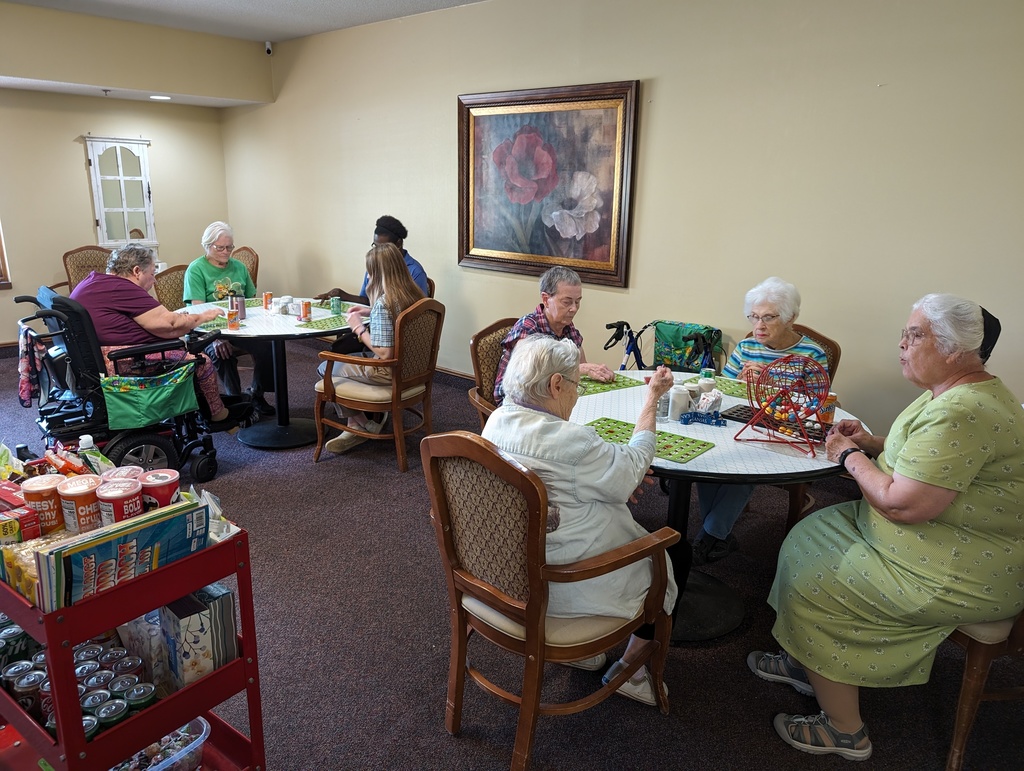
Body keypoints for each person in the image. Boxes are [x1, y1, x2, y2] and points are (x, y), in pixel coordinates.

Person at [747, 294, 1022, 762]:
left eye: (914, 335)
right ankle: (806, 661)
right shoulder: (954, 392)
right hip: (932, 543)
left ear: (954, 348)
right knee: (806, 536)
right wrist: (872, 443)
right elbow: (923, 459)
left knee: (820, 576)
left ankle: (844, 731)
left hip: (956, 569)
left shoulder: (964, 410)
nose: (901, 344)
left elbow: (902, 504)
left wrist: (849, 456)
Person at [482, 335, 690, 706]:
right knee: (675, 551)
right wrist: (652, 399)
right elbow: (636, 459)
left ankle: (583, 656)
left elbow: (564, 481)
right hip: (562, 586)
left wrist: (611, 481)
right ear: (556, 384)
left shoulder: (494, 423)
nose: (576, 395)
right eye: (576, 385)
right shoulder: (574, 442)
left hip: (503, 573)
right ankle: (633, 672)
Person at [692, 276, 829, 566]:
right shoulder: (746, 347)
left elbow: (817, 404)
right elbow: (722, 389)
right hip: (741, 419)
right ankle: (716, 533)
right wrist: (740, 384)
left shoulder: (812, 354)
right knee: (706, 457)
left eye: (769, 317)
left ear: (791, 317)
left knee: (747, 462)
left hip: (784, 427)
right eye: (754, 317)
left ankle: (711, 533)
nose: (759, 326)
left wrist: (772, 383)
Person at [70, 244, 245, 431]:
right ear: (137, 271)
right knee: (201, 361)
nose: (154, 280)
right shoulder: (122, 288)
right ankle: (216, 414)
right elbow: (170, 325)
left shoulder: (92, 282)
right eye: (152, 273)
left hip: (96, 361)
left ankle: (199, 405)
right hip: (122, 360)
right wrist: (204, 317)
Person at [322, 242, 425, 455]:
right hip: (414, 369)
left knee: (326, 368)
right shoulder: (414, 295)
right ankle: (358, 425)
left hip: (388, 372)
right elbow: (398, 319)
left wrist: (359, 328)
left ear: (378, 274)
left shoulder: (384, 303)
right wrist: (369, 311)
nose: (367, 277)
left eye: (369, 272)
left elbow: (384, 353)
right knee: (344, 360)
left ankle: (360, 424)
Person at [183, 221, 275, 416]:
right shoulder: (196, 269)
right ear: (207, 246)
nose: (226, 252)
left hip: (240, 327)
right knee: (221, 353)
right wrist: (216, 337)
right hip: (207, 330)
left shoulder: (239, 267)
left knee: (269, 345)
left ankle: (256, 394)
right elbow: (198, 311)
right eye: (220, 248)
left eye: (229, 247)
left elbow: (251, 301)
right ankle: (237, 403)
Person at [492, 266, 615, 405]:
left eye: (578, 301)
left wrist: (592, 370)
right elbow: (528, 381)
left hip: (552, 396)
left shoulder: (567, 327)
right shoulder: (528, 328)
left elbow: (581, 366)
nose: (574, 308)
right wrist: (582, 369)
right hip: (516, 403)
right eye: (567, 302)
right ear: (546, 299)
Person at [315, 215, 430, 355]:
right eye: (375, 246)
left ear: (397, 244)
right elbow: (382, 305)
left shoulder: (415, 272)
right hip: (387, 336)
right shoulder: (379, 270)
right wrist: (344, 295)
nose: (368, 276)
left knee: (333, 358)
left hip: (395, 345)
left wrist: (359, 328)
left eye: (382, 248)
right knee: (339, 347)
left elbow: (411, 316)